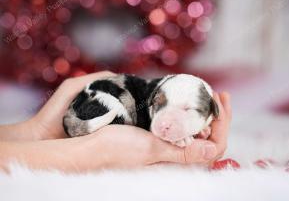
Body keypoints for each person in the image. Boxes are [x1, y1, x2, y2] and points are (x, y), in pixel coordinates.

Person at [0, 71, 232, 173]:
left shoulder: (180, 93)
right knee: (118, 106)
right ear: (155, 96)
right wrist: (89, 152)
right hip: (99, 103)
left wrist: (37, 131)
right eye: (159, 105)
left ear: (212, 113)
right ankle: (89, 127)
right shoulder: (147, 98)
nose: (164, 122)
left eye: (187, 110)